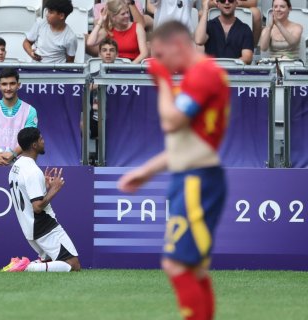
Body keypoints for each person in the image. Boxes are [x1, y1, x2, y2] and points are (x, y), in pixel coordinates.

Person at [118, 21, 230, 320]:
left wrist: (164, 82)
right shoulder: (200, 74)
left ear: (178, 45)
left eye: (161, 55)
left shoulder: (203, 73)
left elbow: (171, 122)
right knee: (193, 269)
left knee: (177, 265)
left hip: (197, 180)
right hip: (191, 175)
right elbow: (185, 142)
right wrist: (146, 171)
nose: (160, 62)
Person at [5, 127, 81, 273]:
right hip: (43, 226)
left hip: (29, 227)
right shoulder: (32, 171)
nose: (43, 141)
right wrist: (54, 189)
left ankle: (26, 264)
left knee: (50, 261)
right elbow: (37, 207)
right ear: (34, 145)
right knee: (73, 264)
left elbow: (27, 194)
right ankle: (26, 266)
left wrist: (44, 187)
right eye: (41, 139)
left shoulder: (16, 166)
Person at [0, 68, 38, 166]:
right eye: (4, 84)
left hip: (21, 167)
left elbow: (28, 139)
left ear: (18, 85)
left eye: (12, 83)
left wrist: (13, 154)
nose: (8, 88)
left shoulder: (30, 111)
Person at [195, 0, 254, 65]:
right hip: (213, 72)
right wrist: (205, 10)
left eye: (230, 0)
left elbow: (247, 58)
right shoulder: (209, 26)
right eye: (222, 0)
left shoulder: (245, 29)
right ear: (218, 3)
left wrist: (229, 66)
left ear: (236, 3)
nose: (227, 2)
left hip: (236, 73)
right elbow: (199, 40)